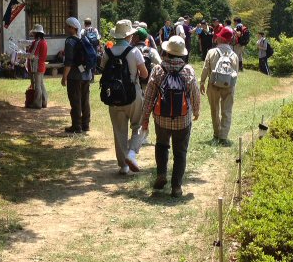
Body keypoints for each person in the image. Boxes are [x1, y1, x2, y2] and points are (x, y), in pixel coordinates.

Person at [141, 35, 200, 197]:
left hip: (161, 118)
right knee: (180, 152)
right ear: (182, 54)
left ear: (167, 52)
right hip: (183, 119)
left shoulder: (158, 70)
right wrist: (196, 111)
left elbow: (149, 96)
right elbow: (194, 94)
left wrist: (145, 118)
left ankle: (161, 174)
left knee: (161, 145)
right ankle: (176, 187)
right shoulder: (188, 71)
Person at [100, 19, 148, 174]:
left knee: (119, 131)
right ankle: (132, 154)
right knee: (139, 126)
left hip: (113, 95)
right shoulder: (134, 52)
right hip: (133, 94)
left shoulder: (108, 52)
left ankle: (123, 166)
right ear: (129, 36)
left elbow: (102, 69)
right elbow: (144, 74)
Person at [201, 27, 239, 145]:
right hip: (228, 86)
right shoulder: (234, 55)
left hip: (213, 85)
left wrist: (202, 82)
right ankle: (223, 136)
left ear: (221, 38)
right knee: (227, 110)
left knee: (214, 109)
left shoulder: (211, 52)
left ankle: (216, 133)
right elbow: (235, 73)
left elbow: (206, 69)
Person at [61, 17, 93, 133]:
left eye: (66, 26)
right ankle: (86, 125)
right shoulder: (84, 39)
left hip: (75, 76)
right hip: (86, 75)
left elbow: (68, 62)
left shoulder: (70, 41)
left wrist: (64, 77)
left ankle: (76, 126)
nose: (65, 28)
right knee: (85, 100)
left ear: (72, 28)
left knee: (75, 100)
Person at [25, 24, 48, 108]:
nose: (33, 35)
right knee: (41, 84)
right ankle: (44, 102)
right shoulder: (44, 41)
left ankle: (37, 104)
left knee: (37, 86)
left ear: (37, 33)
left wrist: (24, 54)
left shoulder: (37, 42)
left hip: (36, 66)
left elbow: (32, 55)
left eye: (34, 33)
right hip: (42, 65)